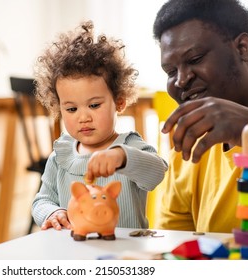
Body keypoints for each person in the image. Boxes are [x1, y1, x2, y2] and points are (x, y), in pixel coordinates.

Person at [32, 21, 168, 231]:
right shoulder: (61, 155)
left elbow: (157, 172)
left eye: (94, 105)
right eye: (71, 109)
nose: (83, 117)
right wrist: (52, 212)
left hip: (125, 253)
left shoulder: (129, 146)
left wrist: (122, 157)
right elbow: (41, 200)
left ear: (119, 102)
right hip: (73, 252)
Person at [153, 0, 248, 233]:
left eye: (195, 59)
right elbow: (175, 249)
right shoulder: (188, 151)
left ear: (242, 48)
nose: (181, 80)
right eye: (170, 72)